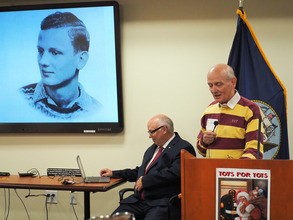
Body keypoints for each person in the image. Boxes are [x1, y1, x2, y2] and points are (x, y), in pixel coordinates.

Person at [100, 114, 196, 220]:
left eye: (152, 131)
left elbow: (175, 173)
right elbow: (141, 171)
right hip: (138, 201)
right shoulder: (153, 148)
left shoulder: (183, 147)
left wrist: (145, 181)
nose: (150, 136)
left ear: (164, 129)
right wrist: (114, 173)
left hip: (161, 203)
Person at [19, 11, 101, 120]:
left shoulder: (97, 112)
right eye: (40, 51)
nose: (43, 61)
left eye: (55, 52)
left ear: (81, 60)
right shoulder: (19, 100)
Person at [196, 64, 264, 159]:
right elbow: (201, 150)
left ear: (233, 82)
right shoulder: (209, 109)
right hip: (211, 171)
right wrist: (204, 141)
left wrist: (231, 172)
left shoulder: (250, 109)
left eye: (218, 84)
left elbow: (254, 151)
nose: (213, 90)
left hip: (236, 172)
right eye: (210, 85)